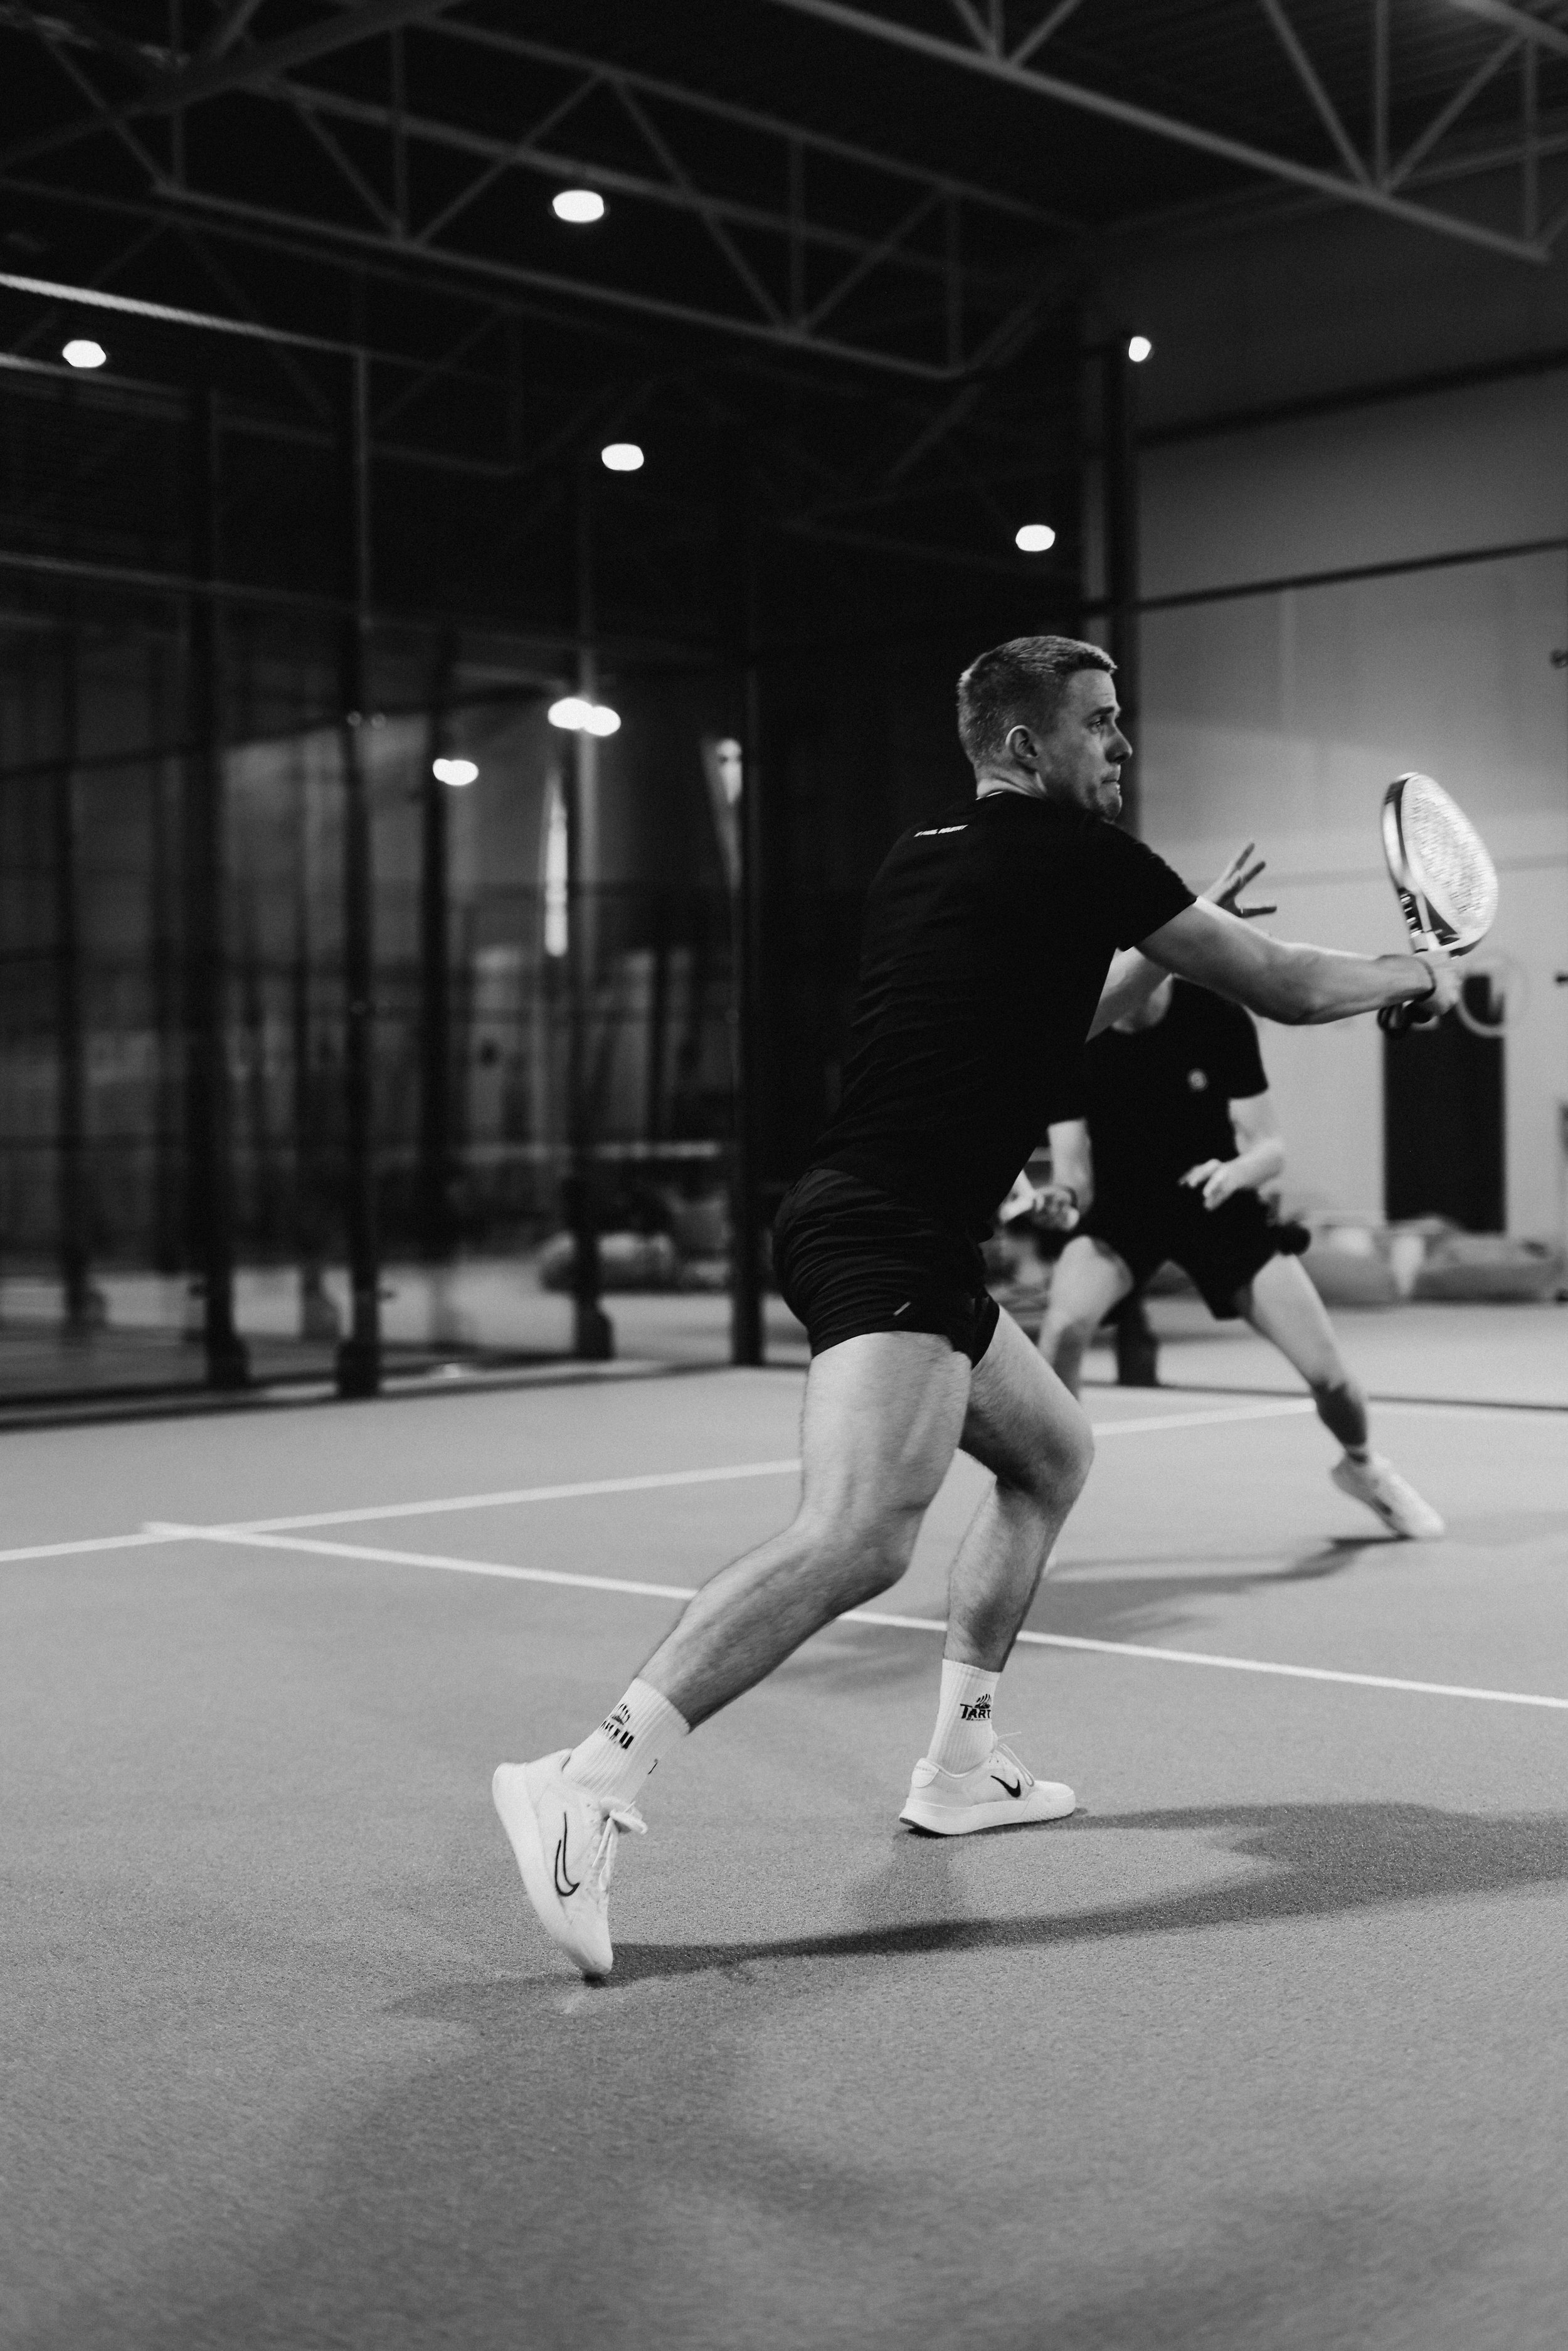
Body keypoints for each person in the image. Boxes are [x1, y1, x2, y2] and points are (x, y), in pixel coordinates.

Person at [494, 634, 1458, 1978]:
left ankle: (959, 1757)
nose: (1119, 746)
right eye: (1099, 723)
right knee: (856, 1535)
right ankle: (583, 1779)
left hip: (899, 1224)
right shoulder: (1082, 859)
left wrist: (1180, 940)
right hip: (883, 1223)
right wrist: (1417, 972)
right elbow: (1289, 986)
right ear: (1024, 744)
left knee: (1051, 1452)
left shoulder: (924, 856)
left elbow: (1068, 1020)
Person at [1035, 972, 1444, 1538]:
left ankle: (1364, 1466)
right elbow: (1073, 1175)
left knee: (1330, 1378)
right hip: (1125, 1213)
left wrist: (1235, 1173)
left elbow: (1270, 1148)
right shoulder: (1073, 1034)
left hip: (1217, 1201)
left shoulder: (1215, 1015)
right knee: (1063, 1329)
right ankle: (1041, 1504)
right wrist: (1061, 1201)